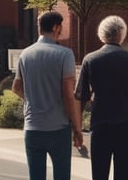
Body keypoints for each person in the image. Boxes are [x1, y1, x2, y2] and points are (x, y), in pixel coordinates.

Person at [74, 15, 128, 180]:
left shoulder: (90, 59)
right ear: (122, 35)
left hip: (100, 128)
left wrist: (77, 129)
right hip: (127, 129)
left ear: (101, 34)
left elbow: (80, 97)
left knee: (99, 176)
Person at [12, 11, 83, 180]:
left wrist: (33, 99)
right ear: (55, 27)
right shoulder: (65, 54)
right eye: (61, 27)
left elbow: (16, 87)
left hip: (32, 127)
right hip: (58, 128)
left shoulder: (25, 54)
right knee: (62, 176)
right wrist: (77, 128)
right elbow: (68, 95)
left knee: (36, 176)